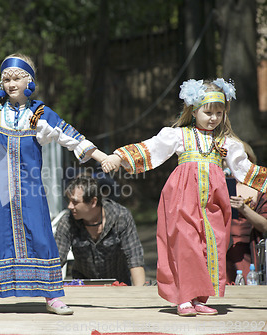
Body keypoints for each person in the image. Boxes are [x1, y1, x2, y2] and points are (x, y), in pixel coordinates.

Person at [0, 54, 108, 315]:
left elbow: (72, 137)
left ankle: (51, 295)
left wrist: (101, 156)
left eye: (17, 77)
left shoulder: (40, 113)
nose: (11, 83)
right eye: (6, 78)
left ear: (29, 79)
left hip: (29, 190)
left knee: (39, 235)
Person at [102, 78, 267, 316]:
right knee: (185, 244)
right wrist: (120, 157)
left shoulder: (226, 143)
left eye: (219, 113)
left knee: (212, 245)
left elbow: (245, 169)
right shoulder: (179, 136)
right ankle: (184, 297)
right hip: (182, 197)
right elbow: (152, 148)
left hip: (213, 203)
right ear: (193, 110)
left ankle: (201, 297)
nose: (213, 118)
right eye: (208, 112)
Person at [54, 175, 145, 286]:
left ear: (93, 202)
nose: (69, 206)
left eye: (75, 202)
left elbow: (135, 259)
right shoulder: (67, 222)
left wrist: (139, 294)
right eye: (69, 201)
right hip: (83, 287)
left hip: (119, 286)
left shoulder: (121, 217)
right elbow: (56, 260)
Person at [226, 142, 267, 283]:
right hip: (220, 249)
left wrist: (244, 208)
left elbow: (264, 226)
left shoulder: (261, 189)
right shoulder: (219, 184)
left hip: (248, 250)